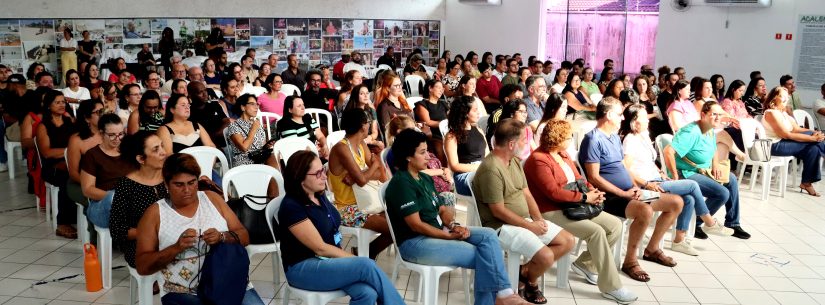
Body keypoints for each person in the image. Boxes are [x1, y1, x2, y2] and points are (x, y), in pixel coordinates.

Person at [384, 129, 531, 305]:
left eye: (427, 151)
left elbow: (442, 209)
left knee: (489, 236)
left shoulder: (423, 178)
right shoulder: (401, 183)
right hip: (415, 242)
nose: (429, 157)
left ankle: (503, 295)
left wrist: (453, 225)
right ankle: (501, 297)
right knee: (483, 255)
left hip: (436, 232)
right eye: (422, 153)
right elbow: (416, 225)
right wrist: (447, 236)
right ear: (408, 157)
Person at [524, 119, 637, 303]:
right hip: (550, 210)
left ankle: (585, 263)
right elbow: (553, 193)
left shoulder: (563, 154)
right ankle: (612, 286)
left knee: (615, 225)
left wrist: (592, 190)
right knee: (597, 232)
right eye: (568, 137)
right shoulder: (538, 159)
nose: (570, 140)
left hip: (573, 205)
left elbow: (579, 178)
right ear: (558, 138)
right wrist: (585, 198)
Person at [135, 153, 265, 304]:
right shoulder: (155, 213)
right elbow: (143, 266)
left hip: (227, 280)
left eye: (191, 182)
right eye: (179, 184)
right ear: (166, 184)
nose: (187, 190)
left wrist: (222, 237)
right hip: (182, 290)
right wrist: (176, 248)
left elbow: (244, 236)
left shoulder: (212, 199)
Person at [277, 150, 405, 305]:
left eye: (323, 171)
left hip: (328, 261)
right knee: (366, 265)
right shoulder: (292, 206)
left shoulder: (318, 194)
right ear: (300, 177)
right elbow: (320, 248)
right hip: (303, 268)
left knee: (367, 293)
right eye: (317, 173)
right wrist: (354, 260)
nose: (324, 177)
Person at [579, 97, 684, 282]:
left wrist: (636, 188)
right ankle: (630, 261)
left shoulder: (613, 137)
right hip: (608, 196)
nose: (622, 119)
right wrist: (624, 193)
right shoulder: (592, 139)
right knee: (645, 210)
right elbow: (594, 177)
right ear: (609, 115)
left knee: (676, 202)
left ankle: (652, 249)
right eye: (619, 115)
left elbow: (623, 169)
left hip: (628, 192)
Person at [473, 118, 574, 304]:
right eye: (523, 140)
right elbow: (498, 211)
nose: (526, 144)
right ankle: (531, 281)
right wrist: (529, 226)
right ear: (511, 144)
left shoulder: (514, 161)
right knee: (546, 256)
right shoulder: (491, 168)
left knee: (567, 241)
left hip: (523, 220)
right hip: (500, 226)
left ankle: (523, 274)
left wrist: (537, 220)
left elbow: (527, 194)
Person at [620, 105, 734, 255]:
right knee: (692, 186)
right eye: (643, 117)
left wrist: (660, 171)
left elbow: (647, 161)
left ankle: (679, 241)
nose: (648, 119)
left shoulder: (644, 135)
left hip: (657, 178)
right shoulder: (631, 140)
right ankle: (709, 222)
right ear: (634, 122)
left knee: (688, 199)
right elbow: (626, 169)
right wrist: (647, 184)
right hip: (649, 184)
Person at [663, 101, 751, 239]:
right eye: (713, 114)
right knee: (722, 193)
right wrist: (675, 176)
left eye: (719, 114)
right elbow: (668, 151)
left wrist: (715, 163)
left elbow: (713, 148)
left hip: (701, 171)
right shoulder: (691, 131)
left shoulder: (709, 128)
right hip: (686, 173)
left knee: (731, 179)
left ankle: (732, 223)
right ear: (703, 114)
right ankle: (698, 223)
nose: (717, 117)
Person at [327, 109, 393, 259]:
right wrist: (374, 165)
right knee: (396, 227)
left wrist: (363, 174)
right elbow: (363, 181)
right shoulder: (341, 148)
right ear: (363, 126)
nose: (369, 126)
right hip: (347, 208)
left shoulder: (361, 144)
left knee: (400, 219)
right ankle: (368, 254)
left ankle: (366, 253)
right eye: (368, 123)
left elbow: (382, 176)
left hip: (366, 202)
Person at [762, 87, 825, 197]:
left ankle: (806, 183)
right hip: (774, 145)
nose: (785, 99)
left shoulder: (784, 113)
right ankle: (806, 183)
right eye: (782, 96)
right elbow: (785, 134)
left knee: (813, 149)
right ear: (774, 98)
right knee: (813, 142)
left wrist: (814, 132)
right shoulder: (770, 113)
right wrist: (813, 138)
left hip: (785, 142)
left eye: (787, 97)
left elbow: (796, 129)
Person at [36, 91, 78, 238]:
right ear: (48, 105)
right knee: (67, 176)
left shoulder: (69, 122)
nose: (62, 105)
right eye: (57, 102)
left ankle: (79, 214)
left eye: (63, 102)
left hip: (69, 161)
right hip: (51, 166)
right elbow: (47, 152)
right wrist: (70, 151)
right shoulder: (43, 126)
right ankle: (62, 223)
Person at [82, 113, 133, 228]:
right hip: (102, 204)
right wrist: (117, 198)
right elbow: (87, 189)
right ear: (101, 133)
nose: (117, 139)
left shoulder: (128, 152)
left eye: (121, 134)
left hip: (128, 200)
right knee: (113, 198)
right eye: (112, 135)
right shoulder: (92, 155)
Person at [66, 99, 104, 217]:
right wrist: (93, 185)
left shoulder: (111, 135)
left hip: (107, 181)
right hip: (81, 183)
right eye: (98, 112)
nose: (103, 115)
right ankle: (96, 234)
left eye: (103, 111)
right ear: (87, 118)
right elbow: (73, 173)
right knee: (101, 201)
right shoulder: (77, 140)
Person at [445, 96, 488, 196]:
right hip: (465, 175)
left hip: (483, 170)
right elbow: (454, 166)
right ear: (465, 113)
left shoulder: (479, 130)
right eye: (475, 110)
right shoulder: (452, 136)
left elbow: (487, 155)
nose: (479, 113)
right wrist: (479, 167)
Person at [227, 94, 278, 167]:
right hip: (245, 161)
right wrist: (253, 129)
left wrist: (266, 146)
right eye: (252, 104)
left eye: (257, 104)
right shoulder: (234, 126)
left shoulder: (256, 123)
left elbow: (261, 146)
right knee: (273, 162)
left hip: (260, 157)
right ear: (243, 107)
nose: (256, 107)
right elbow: (244, 148)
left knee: (275, 156)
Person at [344, 84, 383, 149]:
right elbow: (354, 136)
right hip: (356, 143)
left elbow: (375, 132)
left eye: (367, 93)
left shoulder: (371, 110)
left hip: (370, 140)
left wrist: (370, 139)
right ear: (356, 95)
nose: (366, 96)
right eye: (362, 93)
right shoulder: (351, 113)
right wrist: (374, 142)